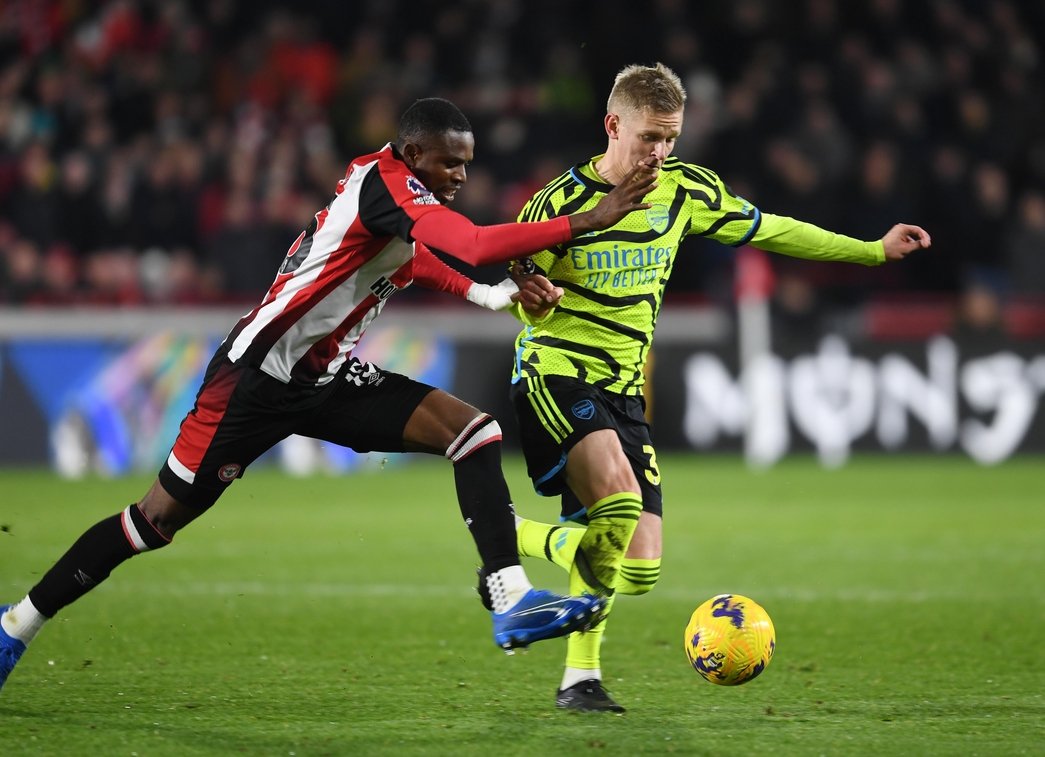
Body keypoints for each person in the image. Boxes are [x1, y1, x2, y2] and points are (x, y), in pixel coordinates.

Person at [0, 97, 660, 695]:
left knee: (473, 431)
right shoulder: (385, 184)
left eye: (467, 164)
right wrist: (591, 218)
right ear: (412, 155)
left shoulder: (399, 198)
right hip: (253, 381)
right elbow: (472, 242)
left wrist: (488, 295)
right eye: (449, 163)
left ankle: (508, 590)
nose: (460, 176)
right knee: (153, 522)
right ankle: (16, 625)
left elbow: (416, 256)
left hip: (323, 377)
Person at [495, 63, 931, 712]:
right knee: (614, 500)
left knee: (637, 566)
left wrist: (869, 250)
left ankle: (557, 639)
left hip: (621, 388)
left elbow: (774, 228)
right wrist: (529, 302)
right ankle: (551, 629)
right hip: (553, 373)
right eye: (648, 137)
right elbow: (514, 292)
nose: (660, 151)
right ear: (613, 125)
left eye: (670, 137)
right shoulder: (558, 202)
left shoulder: (685, 190)